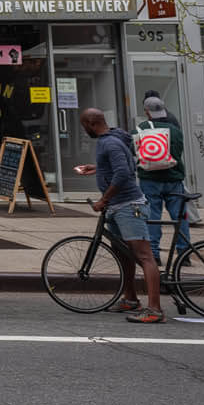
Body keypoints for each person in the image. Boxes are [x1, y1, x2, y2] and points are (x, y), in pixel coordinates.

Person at [74, 107, 163, 323]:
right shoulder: (113, 139)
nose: (85, 130)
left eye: (85, 126)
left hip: (128, 205)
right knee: (124, 254)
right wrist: (97, 168)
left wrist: (103, 199)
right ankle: (130, 299)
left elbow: (124, 173)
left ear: (92, 124)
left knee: (144, 256)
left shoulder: (110, 142)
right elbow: (127, 164)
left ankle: (155, 310)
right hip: (117, 206)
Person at [136, 95, 192, 267]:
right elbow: (177, 153)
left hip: (150, 180)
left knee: (152, 216)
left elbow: (134, 150)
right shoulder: (175, 130)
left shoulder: (142, 128)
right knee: (180, 216)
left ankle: (154, 253)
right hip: (174, 180)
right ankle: (185, 254)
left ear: (147, 111)